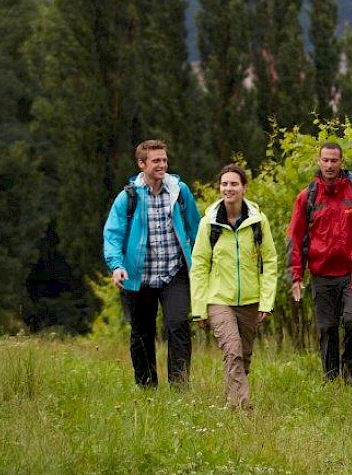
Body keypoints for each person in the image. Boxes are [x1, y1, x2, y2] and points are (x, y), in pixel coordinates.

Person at [103, 139, 202, 388]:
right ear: (141, 164)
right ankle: (147, 389)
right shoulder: (129, 197)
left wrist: (201, 263)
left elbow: (197, 227)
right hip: (138, 277)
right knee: (142, 333)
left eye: (164, 160)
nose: (162, 165)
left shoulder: (179, 191)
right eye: (156, 160)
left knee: (178, 325)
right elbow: (112, 235)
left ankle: (180, 388)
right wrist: (117, 265)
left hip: (174, 273)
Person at [191, 164, 279, 409]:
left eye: (234, 184)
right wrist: (199, 308)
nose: (228, 188)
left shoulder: (258, 221)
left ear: (244, 188)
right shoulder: (208, 223)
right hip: (218, 299)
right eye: (224, 184)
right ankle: (243, 404)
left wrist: (266, 302)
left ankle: (231, 403)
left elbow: (270, 261)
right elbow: (199, 266)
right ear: (219, 187)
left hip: (251, 300)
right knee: (233, 349)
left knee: (244, 356)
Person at [287, 142, 352, 386]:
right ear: (319, 162)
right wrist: (296, 275)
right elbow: (296, 236)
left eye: (334, 160)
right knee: (327, 328)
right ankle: (331, 379)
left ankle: (351, 368)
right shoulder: (307, 197)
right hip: (321, 274)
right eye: (325, 160)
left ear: (342, 162)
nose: (330, 165)